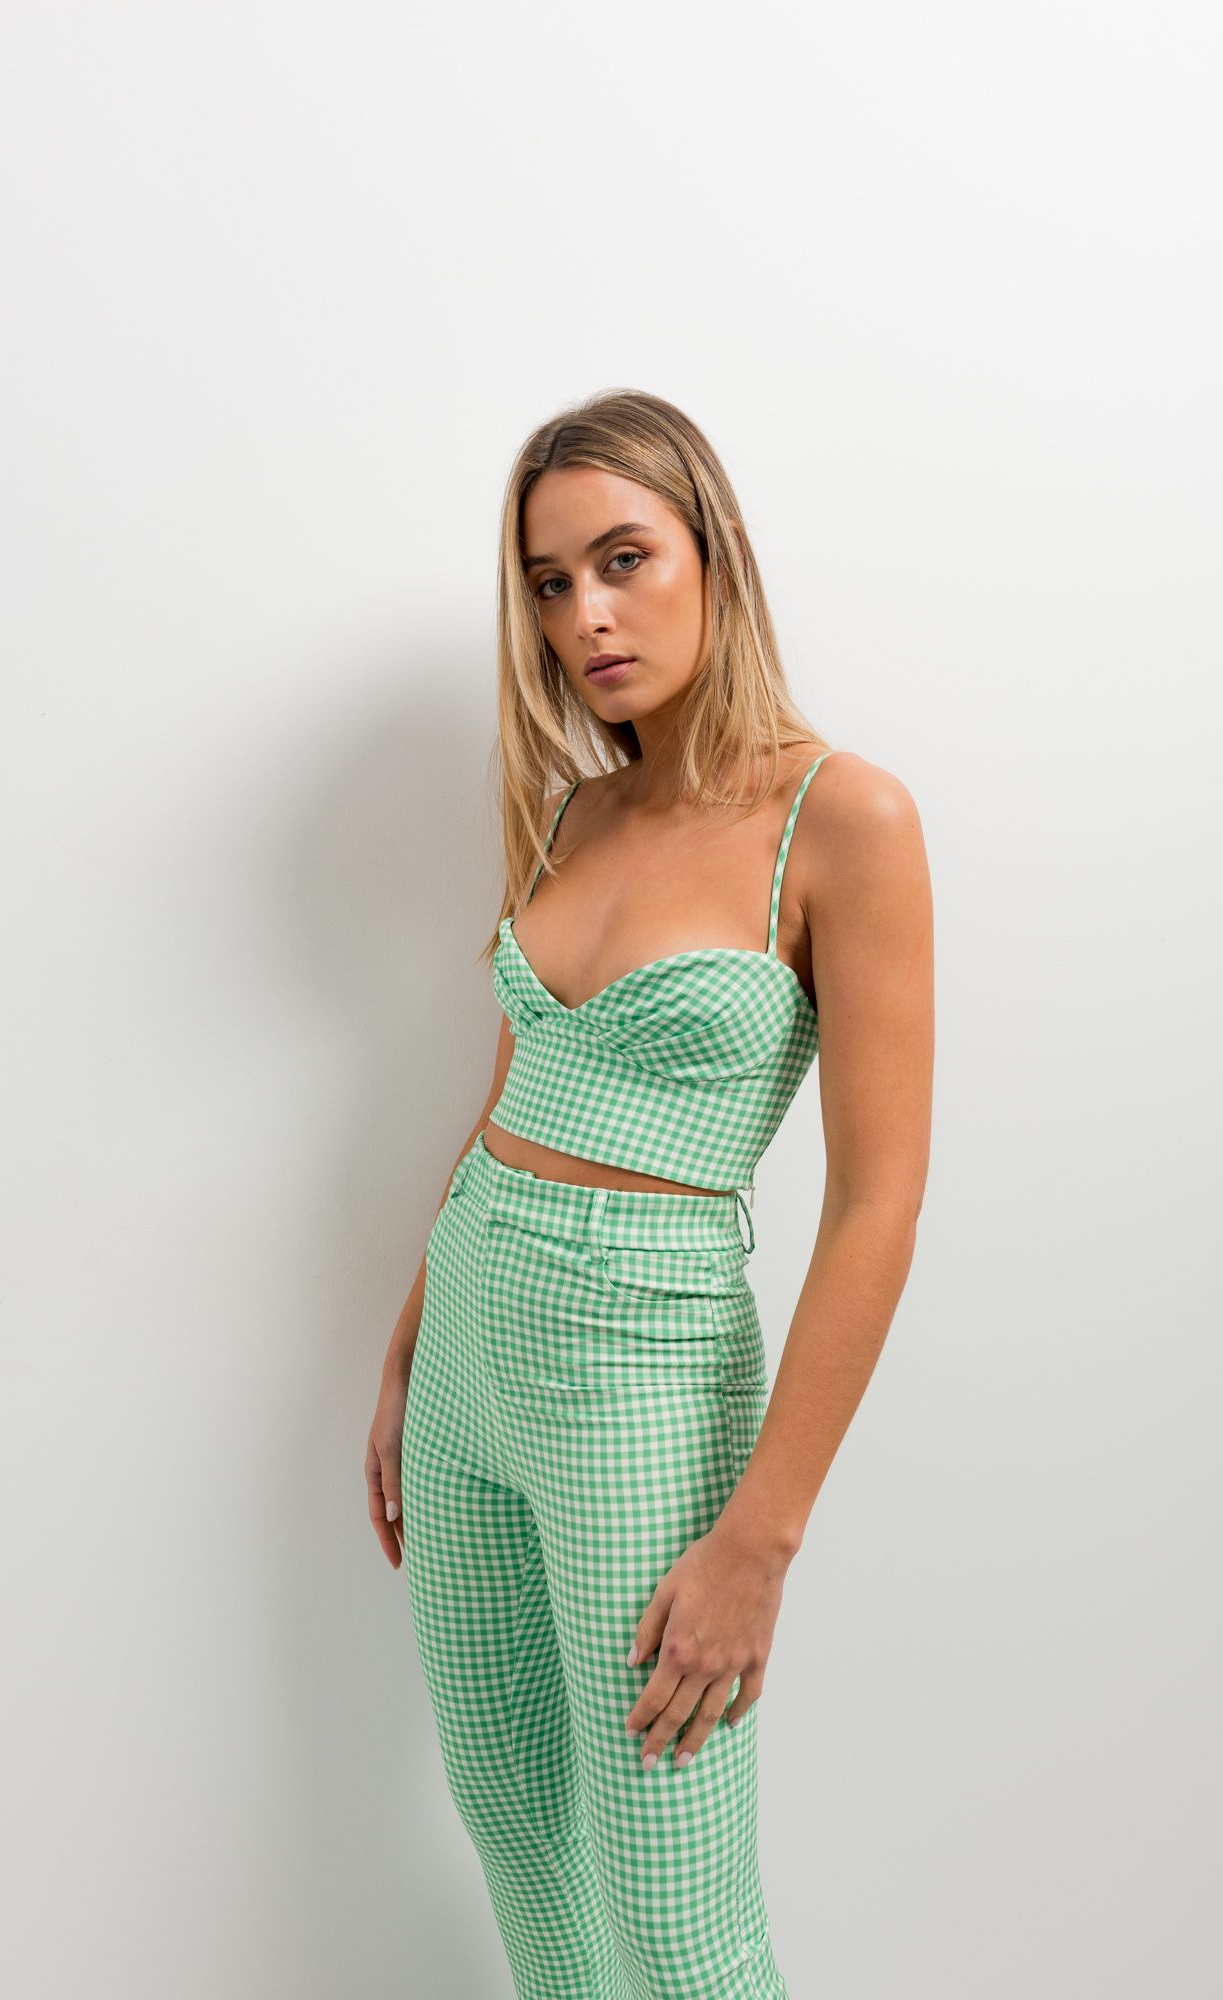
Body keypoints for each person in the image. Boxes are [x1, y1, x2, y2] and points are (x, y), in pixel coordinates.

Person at [366, 388, 934, 1998]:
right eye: (550, 583)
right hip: (469, 1350)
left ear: (716, 550)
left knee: (679, 1916)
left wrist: (764, 1535)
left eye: (624, 559)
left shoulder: (843, 819)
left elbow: (879, 1203)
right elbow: (511, 1102)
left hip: (642, 1373)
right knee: (516, 1828)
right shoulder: (570, 809)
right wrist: (412, 1342)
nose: (587, 617)